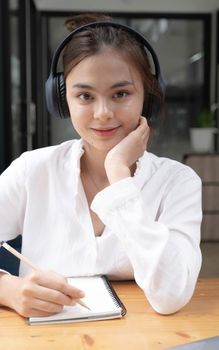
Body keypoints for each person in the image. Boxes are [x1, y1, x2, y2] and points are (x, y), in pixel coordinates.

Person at [0, 13, 202, 317]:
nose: (103, 113)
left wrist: (119, 173)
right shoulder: (33, 170)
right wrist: (8, 290)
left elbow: (171, 294)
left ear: (147, 96)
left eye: (120, 94)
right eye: (85, 95)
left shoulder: (178, 182)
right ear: (61, 99)